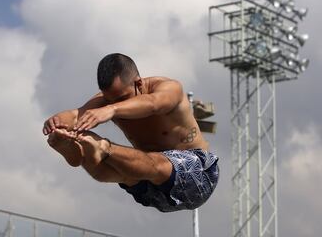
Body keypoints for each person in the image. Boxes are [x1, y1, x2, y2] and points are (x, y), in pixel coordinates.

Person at [42, 53, 219, 212]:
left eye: (121, 98)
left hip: (198, 175)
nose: (113, 103)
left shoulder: (169, 88)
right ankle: (78, 146)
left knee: (156, 162)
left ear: (138, 83)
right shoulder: (107, 99)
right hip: (153, 192)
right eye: (109, 99)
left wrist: (111, 109)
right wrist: (58, 123)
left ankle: (103, 147)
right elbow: (76, 115)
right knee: (105, 172)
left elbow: (153, 103)